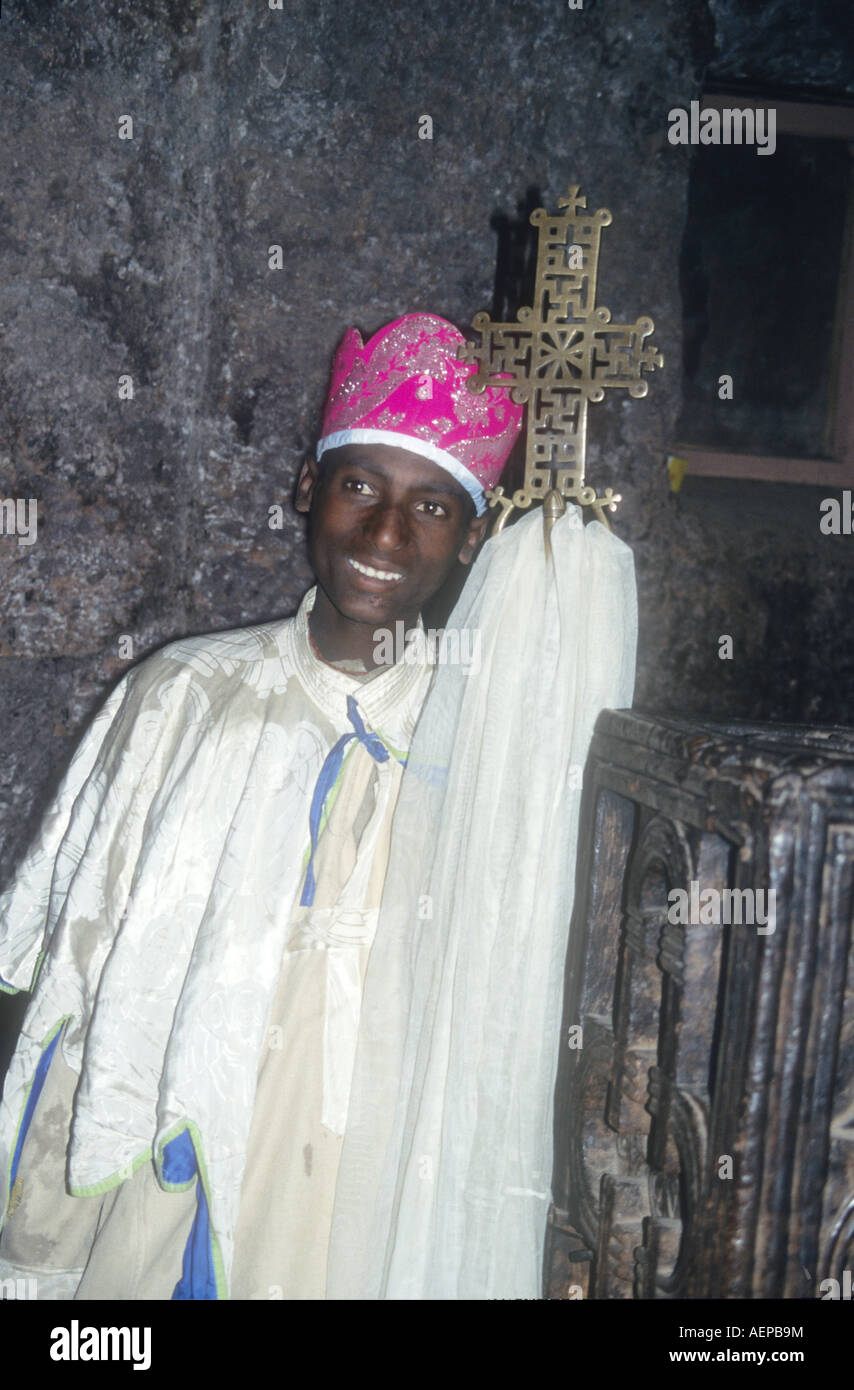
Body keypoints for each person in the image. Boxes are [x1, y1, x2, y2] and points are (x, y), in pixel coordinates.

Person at [0, 313, 523, 1299]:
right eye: (359, 486)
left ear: (469, 539)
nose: (384, 534)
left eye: (430, 508)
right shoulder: (181, 698)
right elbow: (69, 961)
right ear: (306, 489)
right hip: (175, 1156)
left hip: (367, 1177)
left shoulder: (479, 745)